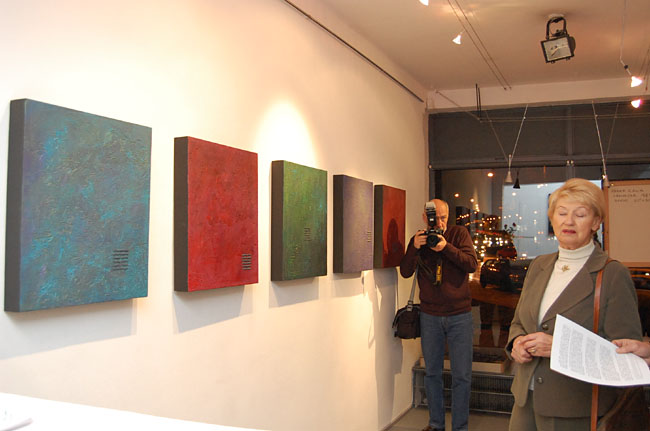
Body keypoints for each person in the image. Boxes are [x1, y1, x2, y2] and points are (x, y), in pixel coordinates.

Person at [506, 178, 642, 431]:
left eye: (580, 214)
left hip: (574, 406)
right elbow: (519, 322)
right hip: (525, 399)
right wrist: (516, 343)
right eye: (561, 213)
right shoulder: (539, 265)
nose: (568, 221)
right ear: (552, 218)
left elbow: (627, 355)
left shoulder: (611, 274)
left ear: (596, 222)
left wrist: (559, 348)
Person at [400, 199, 478, 431]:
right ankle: (436, 424)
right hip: (430, 316)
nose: (440, 222)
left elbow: (471, 264)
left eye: (443, 217)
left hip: (460, 315)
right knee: (432, 373)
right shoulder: (420, 239)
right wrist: (414, 247)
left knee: (461, 376)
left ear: (448, 216)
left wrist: (446, 248)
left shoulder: (459, 234)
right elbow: (405, 271)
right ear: (425, 218)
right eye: (435, 218)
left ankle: (460, 427)